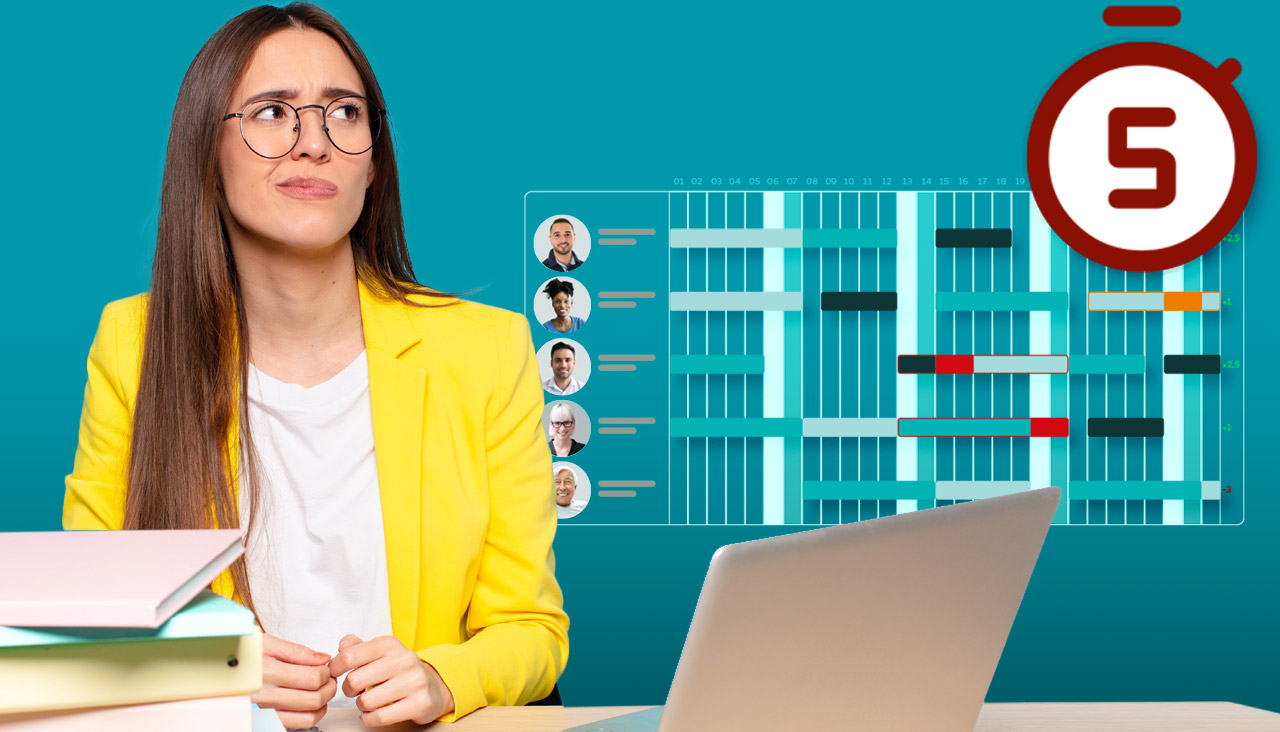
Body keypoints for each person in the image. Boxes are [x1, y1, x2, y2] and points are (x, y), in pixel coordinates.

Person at [60, 5, 566, 729]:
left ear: (372, 159)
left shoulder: (484, 349)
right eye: (272, 113)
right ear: (209, 148)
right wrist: (213, 664)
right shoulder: (133, 344)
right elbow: (82, 629)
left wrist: (442, 677)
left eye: (344, 113)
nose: (313, 144)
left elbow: (533, 629)